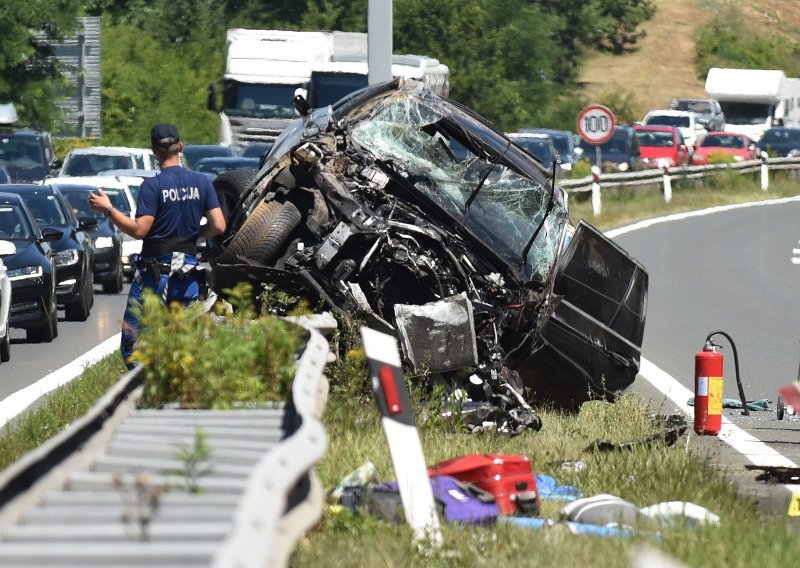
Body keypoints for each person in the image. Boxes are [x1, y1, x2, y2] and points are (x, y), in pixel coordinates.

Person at [89, 124, 226, 368]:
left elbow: (140, 230)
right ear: (180, 146)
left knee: (133, 343)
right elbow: (219, 225)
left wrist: (108, 209)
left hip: (155, 277)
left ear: (154, 151)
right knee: (185, 341)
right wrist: (194, 234)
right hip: (188, 276)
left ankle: (149, 390)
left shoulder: (153, 187)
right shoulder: (202, 182)